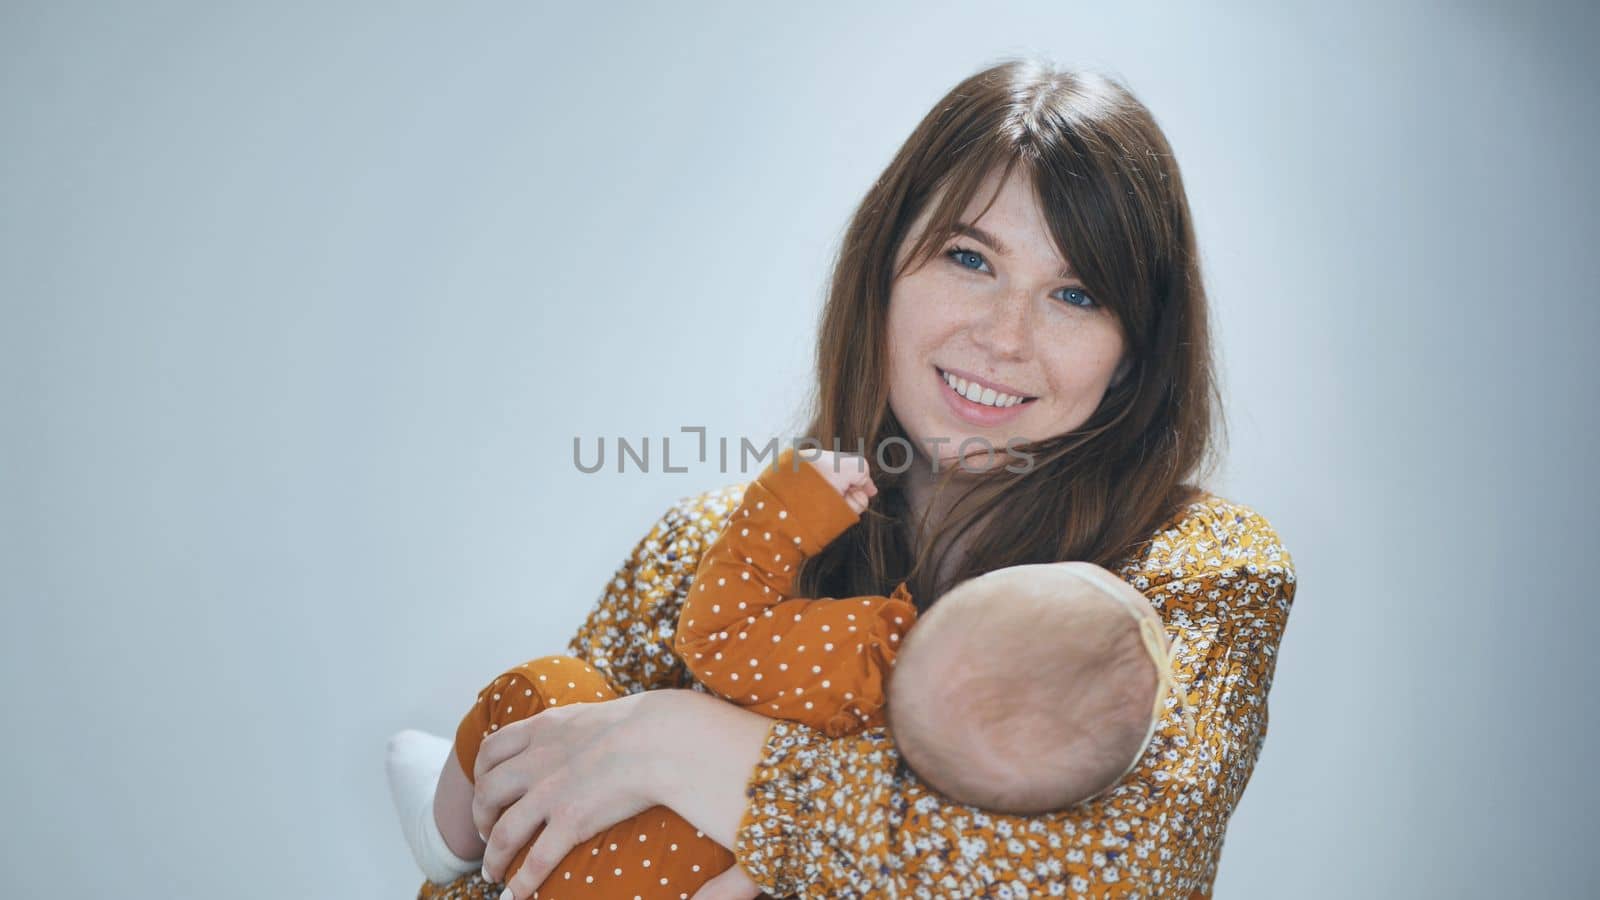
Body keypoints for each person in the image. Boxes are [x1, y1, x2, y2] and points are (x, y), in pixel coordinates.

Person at [390, 56, 1298, 899]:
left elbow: (1115, 871)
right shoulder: (704, 546)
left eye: (1076, 294)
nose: (1006, 335)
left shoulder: (1202, 573)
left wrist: (692, 746)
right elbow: (503, 854)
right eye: (969, 258)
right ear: (884, 272)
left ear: (1134, 350)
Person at [387, 444, 1185, 896]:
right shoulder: (987, 834)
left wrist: (789, 505)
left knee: (544, 694)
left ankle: (444, 828)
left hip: (592, 866)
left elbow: (719, 632)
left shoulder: (869, 661)